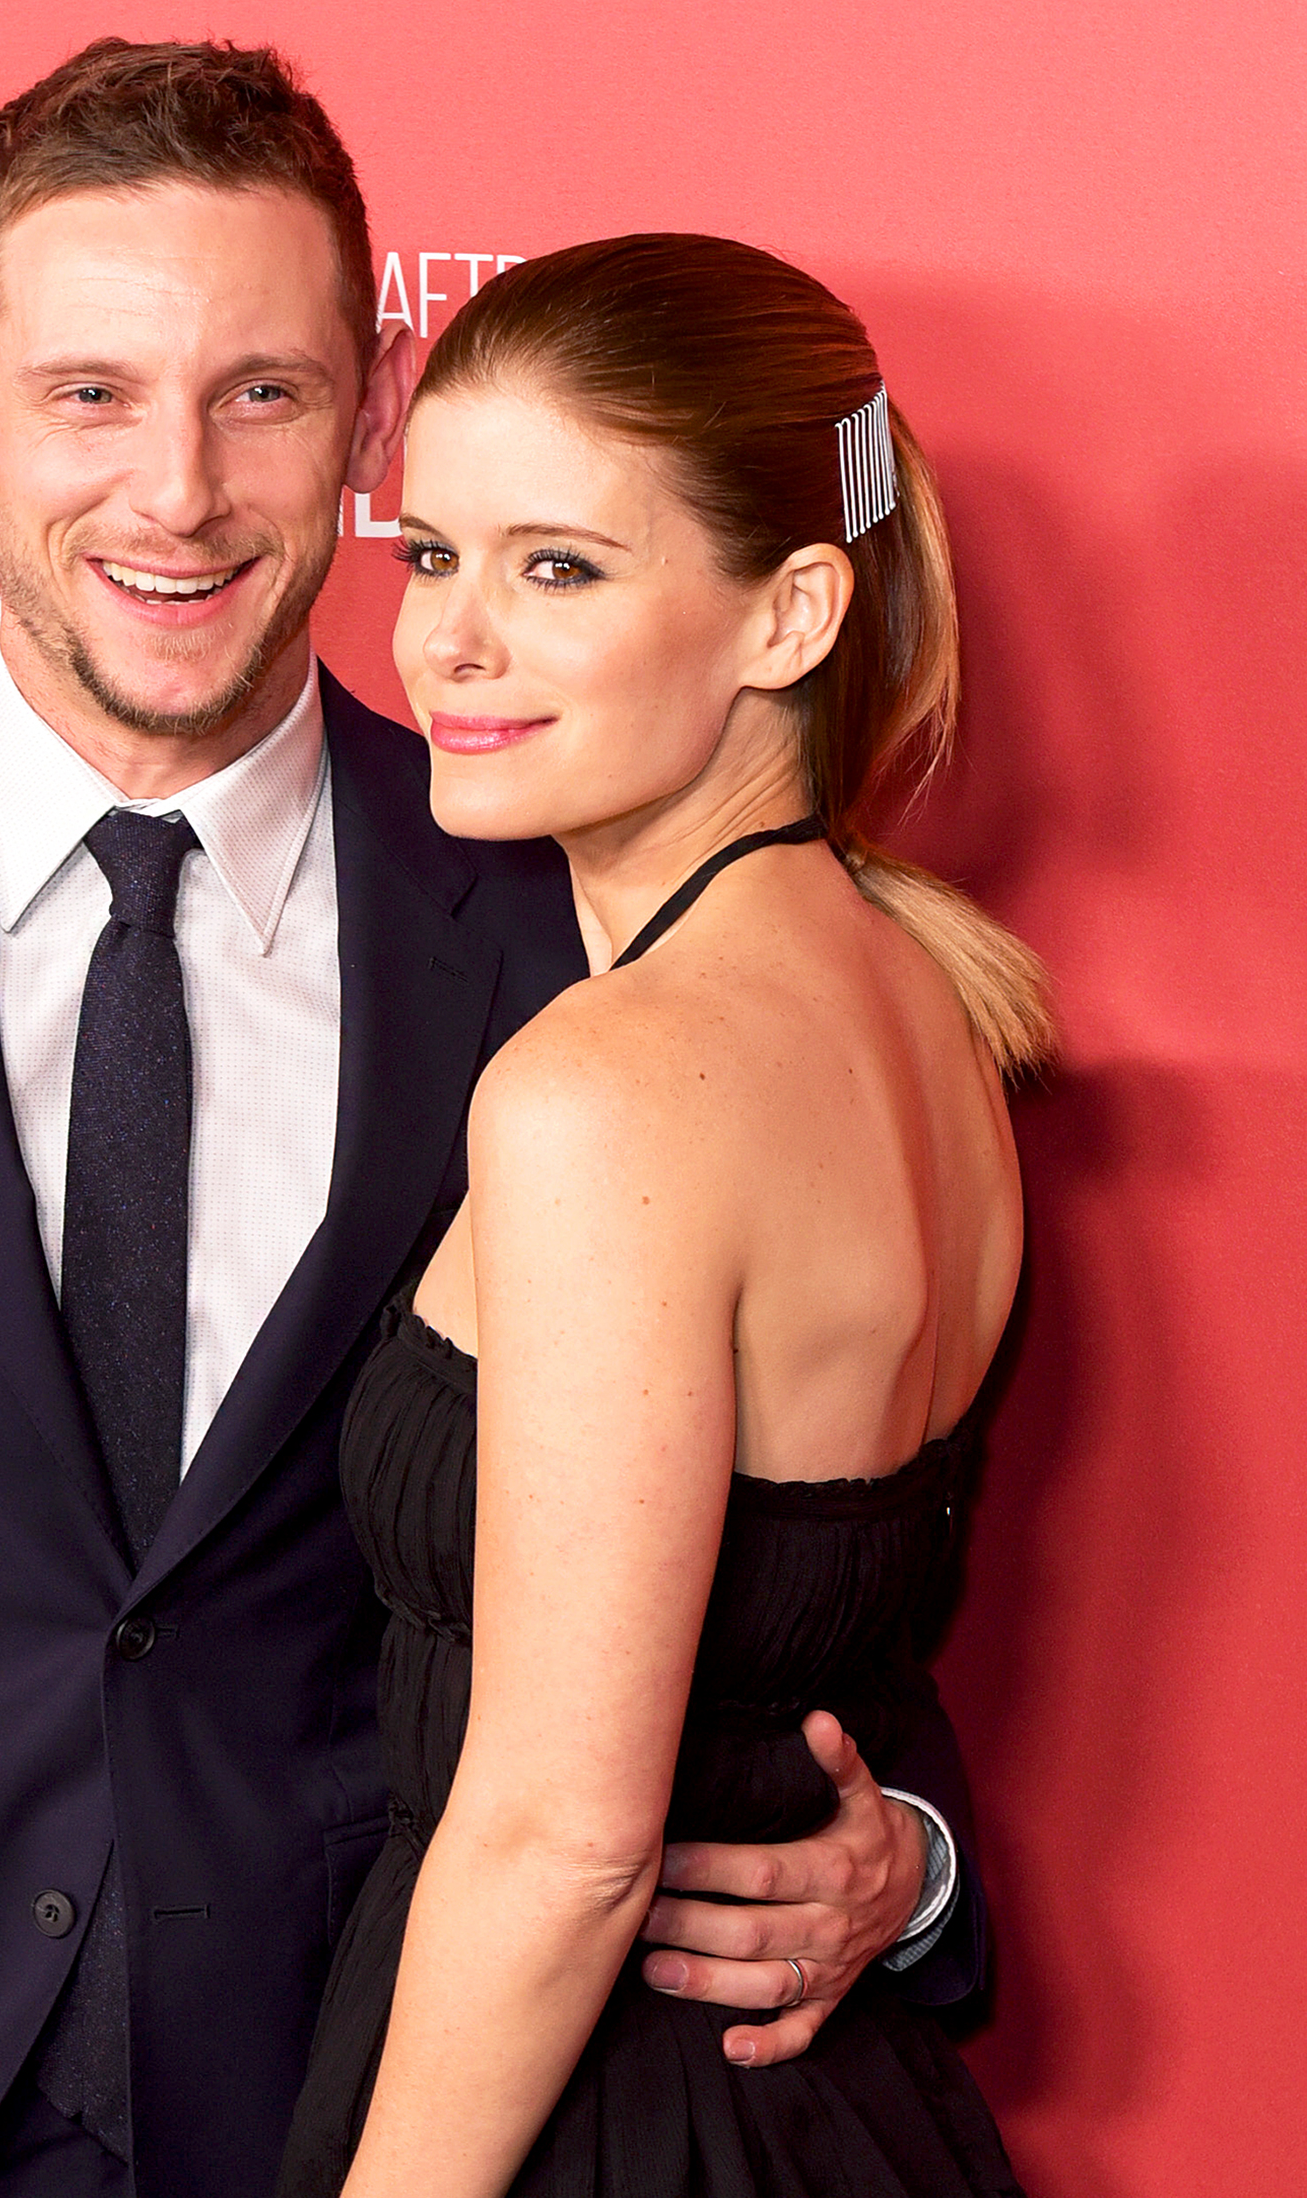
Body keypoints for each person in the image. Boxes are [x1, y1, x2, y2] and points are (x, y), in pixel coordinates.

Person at [0, 46, 989, 2198]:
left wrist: (911, 1860)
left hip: (358, 2095)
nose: (177, 494)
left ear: (371, 406)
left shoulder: (557, 926)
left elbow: (772, 1534)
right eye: (88, 397)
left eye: (259, 394)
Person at [277, 235, 1047, 2198]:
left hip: (600, 2128)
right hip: (829, 2110)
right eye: (430, 557)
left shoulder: (603, 1089)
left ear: (789, 611)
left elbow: (562, 1836)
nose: (445, 642)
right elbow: (817, 1627)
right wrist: (916, 1870)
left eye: (558, 567)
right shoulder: (932, 1010)